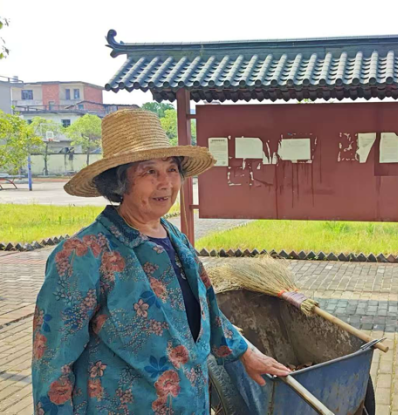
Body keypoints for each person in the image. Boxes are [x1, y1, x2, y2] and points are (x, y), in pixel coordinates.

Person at [32, 109, 290, 414]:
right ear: (119, 183)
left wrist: (245, 353)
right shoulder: (82, 254)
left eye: (172, 169)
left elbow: (208, 309)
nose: (166, 182)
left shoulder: (175, 238)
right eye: (149, 172)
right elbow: (52, 361)